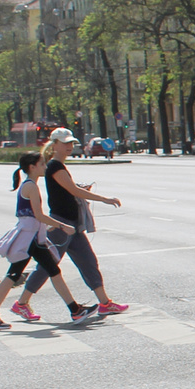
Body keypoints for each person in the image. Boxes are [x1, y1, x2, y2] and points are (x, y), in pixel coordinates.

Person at [9, 127, 126, 322]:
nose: (70, 146)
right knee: (48, 265)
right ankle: (21, 303)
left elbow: (69, 189)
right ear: (54, 145)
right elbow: (72, 190)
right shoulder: (54, 166)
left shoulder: (57, 166)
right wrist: (104, 198)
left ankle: (105, 303)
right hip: (61, 225)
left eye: (71, 143)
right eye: (65, 143)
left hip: (72, 225)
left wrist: (79, 188)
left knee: (88, 262)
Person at [0, 154, 92, 330]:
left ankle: (75, 309)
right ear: (32, 167)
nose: (45, 167)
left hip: (31, 237)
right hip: (30, 239)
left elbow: (32, 216)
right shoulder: (31, 187)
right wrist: (62, 226)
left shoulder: (29, 185)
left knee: (26, 273)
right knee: (33, 273)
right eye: (41, 164)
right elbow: (38, 215)